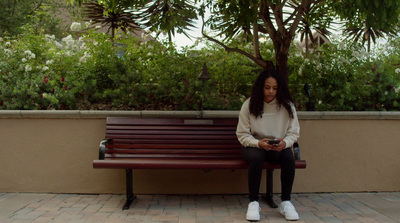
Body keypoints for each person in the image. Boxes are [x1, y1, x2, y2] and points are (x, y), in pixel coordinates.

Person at [236, 68, 300, 221]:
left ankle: (286, 202)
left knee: (288, 156)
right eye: (267, 87)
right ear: (260, 87)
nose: (271, 91)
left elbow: (294, 132)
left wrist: (285, 143)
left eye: (275, 88)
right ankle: (253, 202)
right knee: (257, 157)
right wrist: (258, 143)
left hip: (276, 147)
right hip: (254, 146)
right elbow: (242, 134)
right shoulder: (249, 105)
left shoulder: (287, 106)